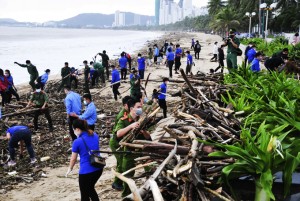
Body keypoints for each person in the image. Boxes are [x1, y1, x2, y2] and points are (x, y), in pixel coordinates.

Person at [114, 98, 150, 197]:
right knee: (128, 176)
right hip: (129, 152)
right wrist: (131, 126)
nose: (140, 109)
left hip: (142, 150)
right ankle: (127, 195)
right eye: (138, 107)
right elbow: (118, 134)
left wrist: (144, 132)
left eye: (141, 107)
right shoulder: (124, 120)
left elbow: (148, 137)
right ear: (131, 109)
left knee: (150, 170)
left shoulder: (142, 119)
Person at [66, 119, 103, 201]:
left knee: (84, 194)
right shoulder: (95, 135)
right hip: (98, 167)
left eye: (74, 129)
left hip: (86, 171)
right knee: (90, 188)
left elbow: (73, 159)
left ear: (78, 129)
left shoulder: (77, 141)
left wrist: (70, 168)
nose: (74, 131)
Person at [109, 95, 132, 190]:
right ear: (126, 105)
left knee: (121, 163)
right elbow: (118, 132)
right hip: (116, 142)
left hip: (121, 141)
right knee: (121, 163)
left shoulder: (128, 113)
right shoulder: (122, 115)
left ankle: (118, 182)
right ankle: (116, 182)